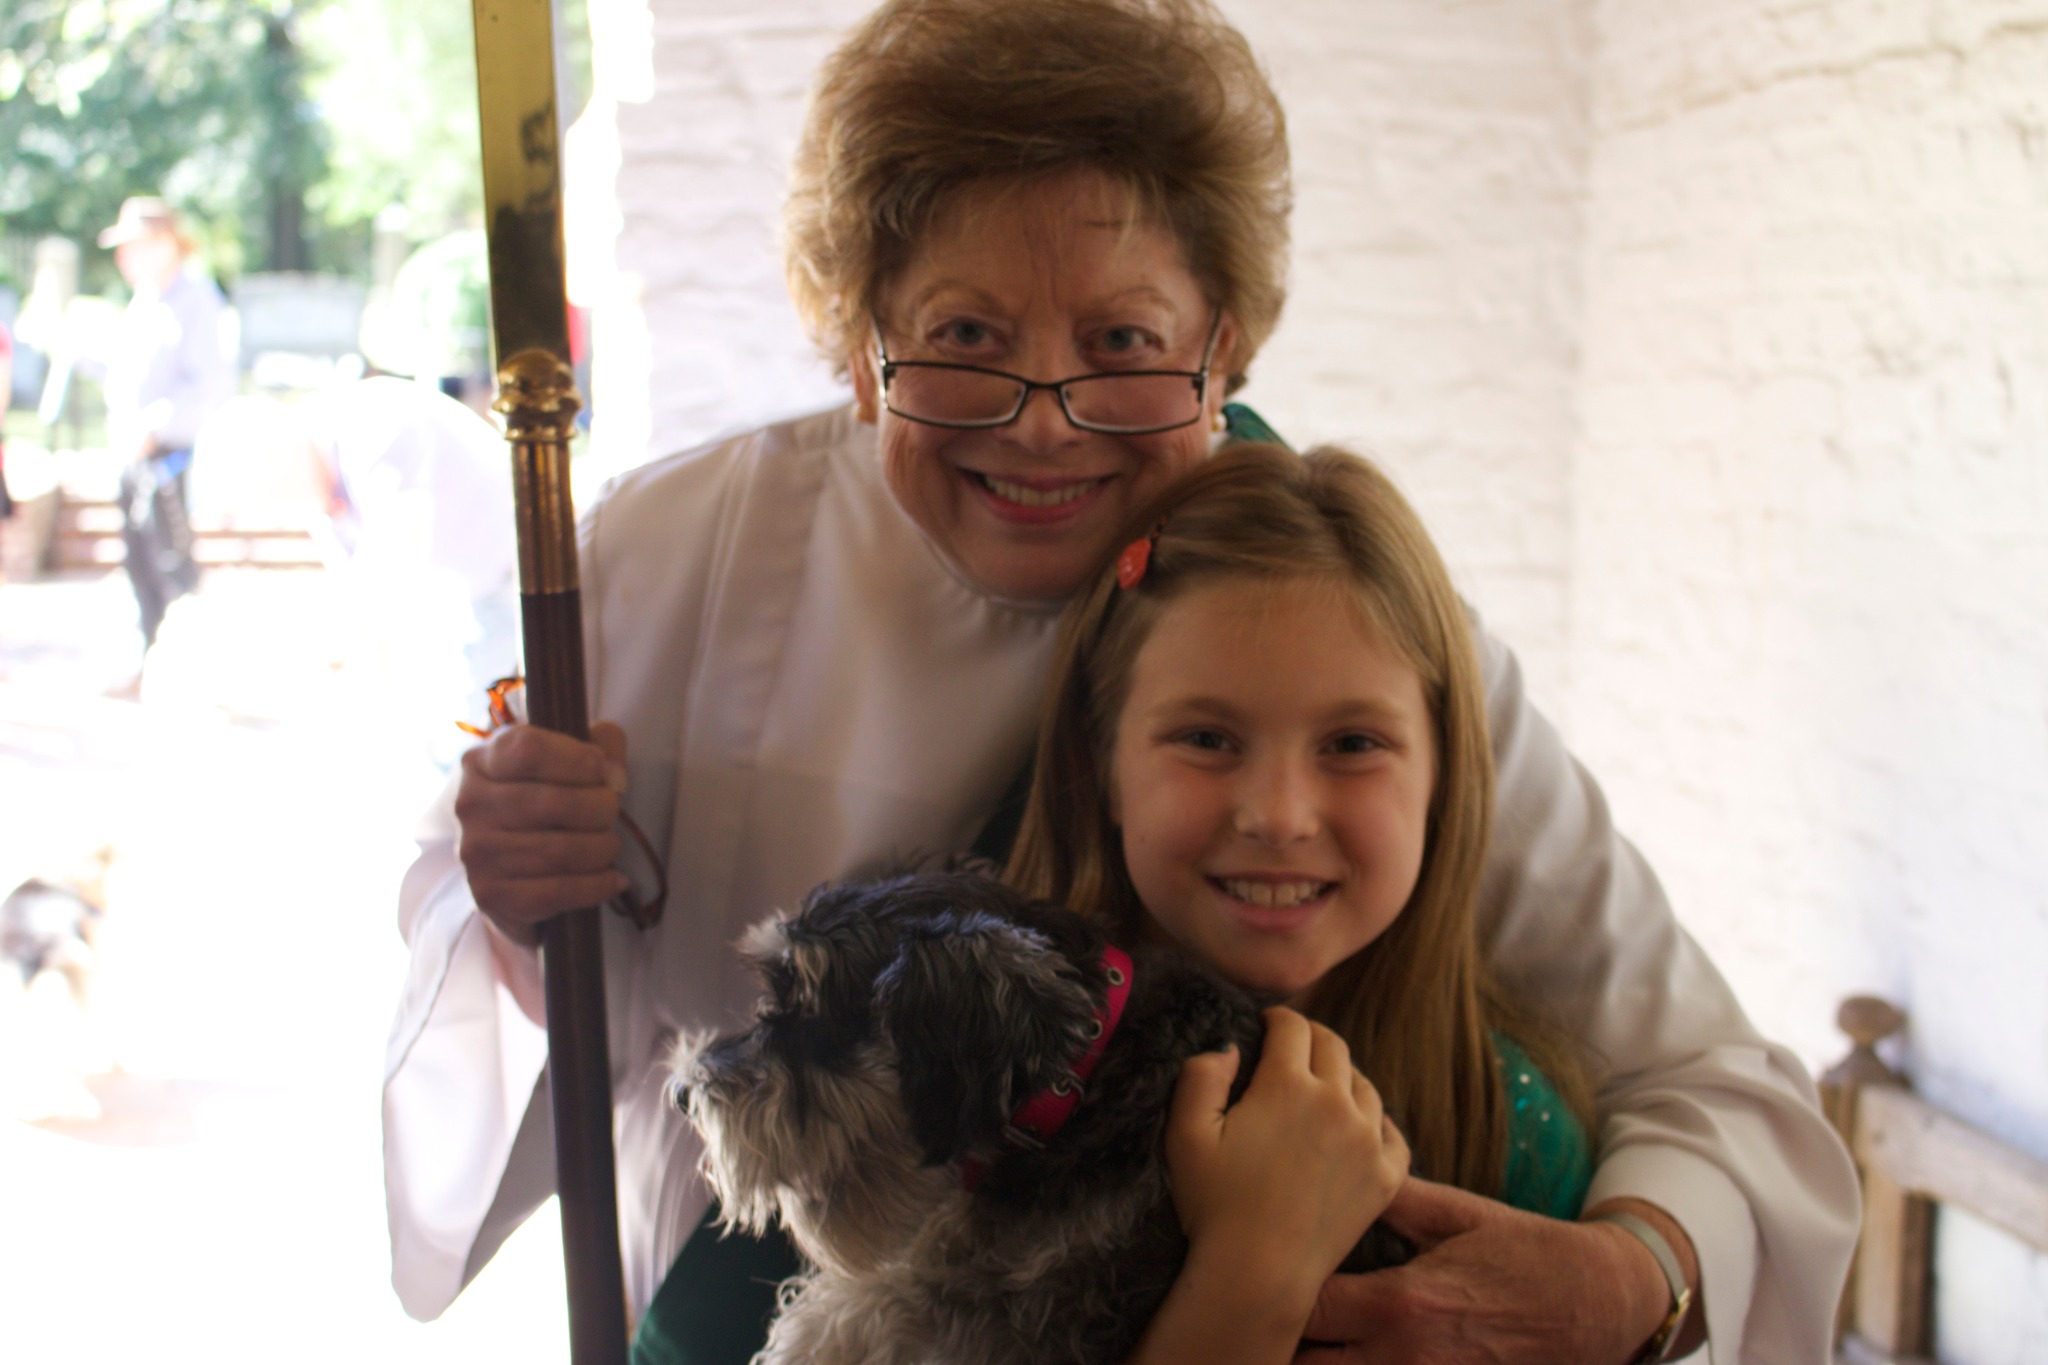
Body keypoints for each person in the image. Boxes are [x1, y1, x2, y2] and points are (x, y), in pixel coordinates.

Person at [384, 2, 1860, 1361]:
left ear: (1227, 347)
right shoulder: (671, 553)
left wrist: (1626, 1278)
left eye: (1124, 345)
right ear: (856, 342)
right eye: (964, 340)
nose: (1045, 427)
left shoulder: (1354, 631)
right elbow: (557, 968)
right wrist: (516, 892)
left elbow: (1710, 1078)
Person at [997, 444, 1589, 1358]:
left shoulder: (1515, 1135)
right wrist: (1253, 1272)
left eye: (1353, 742)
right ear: (1101, 765)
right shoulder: (973, 1086)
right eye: (1206, 737)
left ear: (1443, 776)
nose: (1278, 816)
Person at [96, 196, 234, 657]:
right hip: (133, 454)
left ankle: (192, 665)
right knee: (139, 566)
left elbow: (210, 383)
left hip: (171, 458)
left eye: (134, 245)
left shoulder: (197, 299)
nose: (124, 258)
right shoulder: (144, 300)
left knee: (174, 568)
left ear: (166, 244)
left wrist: (153, 427)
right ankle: (150, 659)